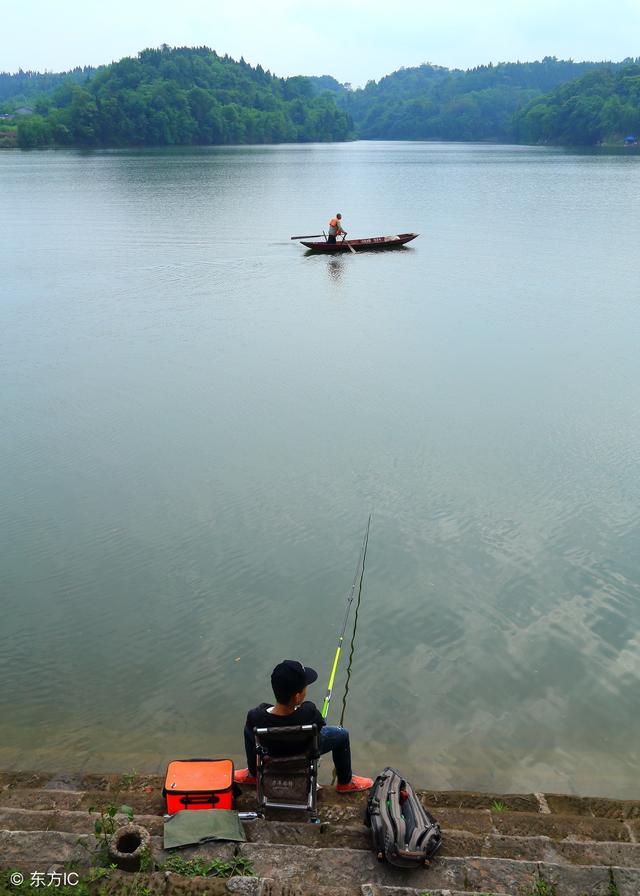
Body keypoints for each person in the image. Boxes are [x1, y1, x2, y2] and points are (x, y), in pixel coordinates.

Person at [234, 659, 373, 793]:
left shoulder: (256, 717)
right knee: (342, 735)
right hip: (302, 752)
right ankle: (345, 783)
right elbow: (320, 725)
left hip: (272, 753)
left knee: (249, 732)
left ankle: (253, 774)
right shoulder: (309, 713)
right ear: (297, 696)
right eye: (305, 687)